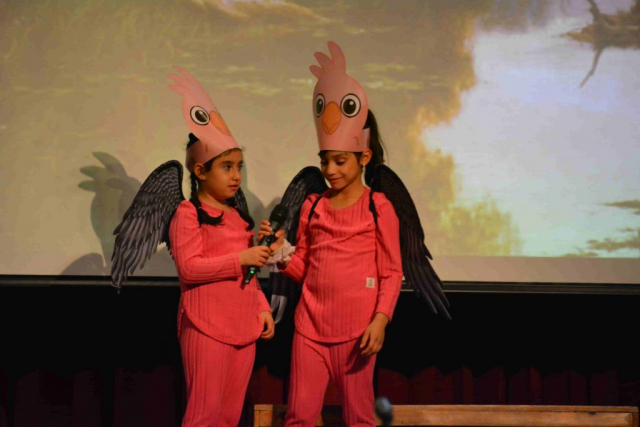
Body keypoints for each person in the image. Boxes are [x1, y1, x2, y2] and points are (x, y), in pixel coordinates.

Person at [260, 42, 403, 427]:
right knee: (299, 417)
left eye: (340, 161)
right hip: (310, 330)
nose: (330, 170)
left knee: (360, 418)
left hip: (357, 333)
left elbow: (392, 273)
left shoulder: (378, 208)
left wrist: (380, 320)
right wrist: (281, 253)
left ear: (364, 157)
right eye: (325, 161)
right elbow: (306, 269)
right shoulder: (313, 206)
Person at [167, 66, 275, 427]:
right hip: (205, 324)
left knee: (229, 416)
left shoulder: (238, 218)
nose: (236, 176)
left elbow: (250, 274)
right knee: (204, 414)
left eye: (239, 166)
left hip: (242, 324)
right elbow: (189, 268)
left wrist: (261, 306)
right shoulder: (188, 213)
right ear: (200, 172)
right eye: (226, 167)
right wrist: (240, 258)